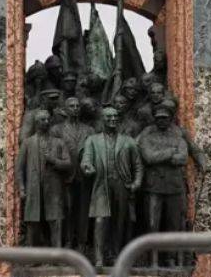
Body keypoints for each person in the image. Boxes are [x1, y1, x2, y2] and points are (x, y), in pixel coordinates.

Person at [80, 107, 143, 267]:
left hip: (122, 185)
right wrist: (87, 167)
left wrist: (136, 183)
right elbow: (86, 159)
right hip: (101, 184)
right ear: (102, 119)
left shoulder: (128, 141)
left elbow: (137, 165)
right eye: (109, 117)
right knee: (100, 220)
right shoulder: (92, 140)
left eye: (115, 116)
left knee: (119, 221)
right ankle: (99, 257)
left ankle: (114, 255)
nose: (113, 119)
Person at [138, 104, 188, 267]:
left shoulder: (178, 139)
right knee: (153, 225)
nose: (161, 121)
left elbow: (182, 159)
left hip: (174, 187)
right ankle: (153, 260)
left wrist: (162, 156)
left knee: (173, 225)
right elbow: (149, 157)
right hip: (154, 187)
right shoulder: (147, 138)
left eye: (164, 118)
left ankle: (170, 258)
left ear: (170, 119)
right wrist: (170, 153)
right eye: (158, 118)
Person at [16, 110, 73, 249]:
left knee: (56, 222)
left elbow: (68, 163)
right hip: (34, 189)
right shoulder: (28, 143)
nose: (46, 122)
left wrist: (53, 160)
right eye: (43, 120)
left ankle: (57, 256)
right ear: (36, 123)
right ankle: (31, 257)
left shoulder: (58, 143)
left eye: (48, 119)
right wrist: (22, 189)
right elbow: (19, 169)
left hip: (53, 189)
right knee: (32, 223)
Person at [52, 97, 95, 253]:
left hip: (84, 176)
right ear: (65, 109)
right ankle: (69, 240)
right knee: (67, 209)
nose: (75, 108)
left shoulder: (89, 130)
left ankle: (82, 242)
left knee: (84, 210)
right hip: (65, 176)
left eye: (77, 106)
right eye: (72, 106)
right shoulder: (57, 130)